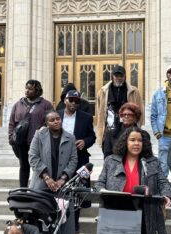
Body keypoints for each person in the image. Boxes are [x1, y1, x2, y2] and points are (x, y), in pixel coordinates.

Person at [95, 126, 171, 234]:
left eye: (140, 140)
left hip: (144, 214)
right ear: (125, 142)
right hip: (116, 213)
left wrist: (167, 195)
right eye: (132, 140)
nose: (136, 143)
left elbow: (163, 183)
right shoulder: (111, 161)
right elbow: (99, 183)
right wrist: (103, 191)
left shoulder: (152, 162)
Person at [28, 111, 78, 234]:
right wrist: (47, 178)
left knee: (64, 224)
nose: (56, 121)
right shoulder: (39, 135)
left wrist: (63, 179)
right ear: (46, 123)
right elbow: (33, 157)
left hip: (63, 188)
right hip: (41, 185)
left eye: (58, 119)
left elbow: (73, 160)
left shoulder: (70, 137)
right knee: (40, 223)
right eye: (52, 120)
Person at [57, 90, 96, 232]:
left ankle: (74, 226)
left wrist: (85, 142)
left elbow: (92, 137)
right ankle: (59, 223)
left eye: (77, 101)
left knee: (77, 195)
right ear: (65, 100)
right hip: (60, 161)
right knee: (60, 193)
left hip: (79, 160)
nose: (74, 103)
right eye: (71, 100)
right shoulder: (57, 116)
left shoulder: (86, 117)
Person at [8, 80, 54, 187]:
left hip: (38, 142)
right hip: (21, 142)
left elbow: (51, 120)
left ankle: (37, 190)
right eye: (26, 88)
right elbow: (12, 122)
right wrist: (11, 136)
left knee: (38, 167)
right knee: (24, 167)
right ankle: (23, 190)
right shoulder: (18, 104)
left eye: (30, 89)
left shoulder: (46, 105)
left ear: (37, 90)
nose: (27, 91)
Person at [96, 65, 143, 146]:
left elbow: (140, 111)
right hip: (109, 132)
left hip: (128, 131)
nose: (119, 78)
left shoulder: (134, 92)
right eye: (116, 75)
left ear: (125, 76)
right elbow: (99, 112)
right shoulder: (102, 91)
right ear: (112, 76)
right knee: (109, 156)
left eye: (121, 75)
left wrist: (138, 127)